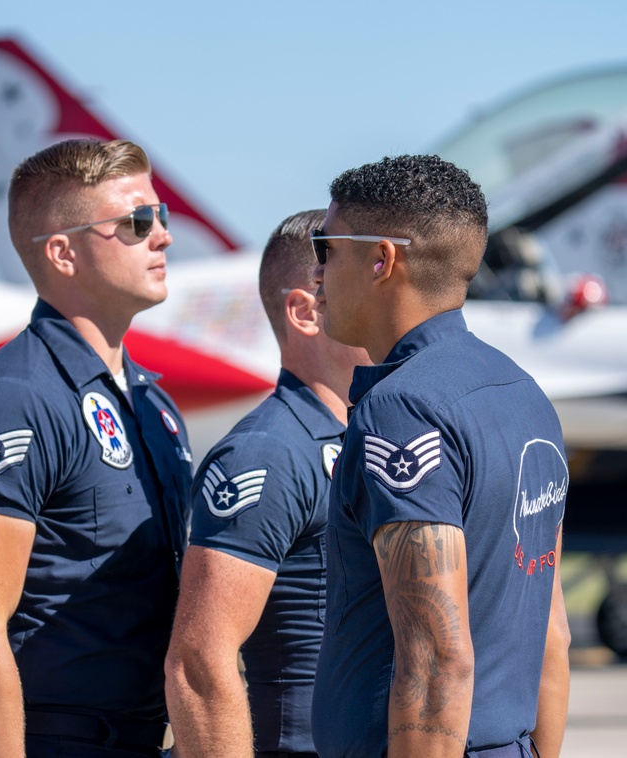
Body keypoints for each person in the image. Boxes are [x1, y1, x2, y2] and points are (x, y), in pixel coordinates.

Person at [0, 138, 192, 758]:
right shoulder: (12, 398)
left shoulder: (153, 403)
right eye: (137, 222)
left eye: (161, 217)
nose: (163, 237)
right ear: (62, 253)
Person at [310, 155, 571, 758]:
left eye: (327, 245)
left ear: (382, 259)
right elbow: (550, 637)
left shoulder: (403, 410)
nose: (317, 270)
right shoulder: (524, 395)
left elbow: (434, 663)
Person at [165, 210, 369, 758]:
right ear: (306, 311)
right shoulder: (268, 452)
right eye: (362, 282)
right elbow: (200, 664)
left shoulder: (368, 437)